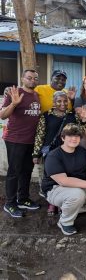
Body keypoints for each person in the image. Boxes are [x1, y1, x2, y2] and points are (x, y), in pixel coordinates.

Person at [41, 123, 86, 235]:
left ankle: (68, 208)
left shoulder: (81, 151)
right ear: (63, 138)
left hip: (78, 186)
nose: (74, 139)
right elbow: (63, 181)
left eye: (77, 136)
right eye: (70, 136)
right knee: (77, 195)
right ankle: (65, 222)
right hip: (55, 189)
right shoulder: (53, 156)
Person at [32, 91, 86, 215]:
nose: (63, 103)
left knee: (65, 178)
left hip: (68, 153)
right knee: (50, 180)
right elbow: (40, 135)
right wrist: (36, 153)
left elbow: (80, 132)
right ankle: (51, 203)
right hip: (50, 154)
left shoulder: (72, 115)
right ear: (54, 102)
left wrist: (83, 120)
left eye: (65, 101)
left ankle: (64, 203)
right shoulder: (46, 116)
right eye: (59, 101)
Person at [0, 70, 41, 217]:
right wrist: (14, 103)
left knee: (26, 170)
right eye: (29, 78)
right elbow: (2, 114)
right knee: (14, 172)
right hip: (15, 139)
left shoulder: (36, 95)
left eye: (35, 78)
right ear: (23, 78)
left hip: (30, 141)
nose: (32, 80)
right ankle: (10, 203)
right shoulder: (14, 92)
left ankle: (23, 198)